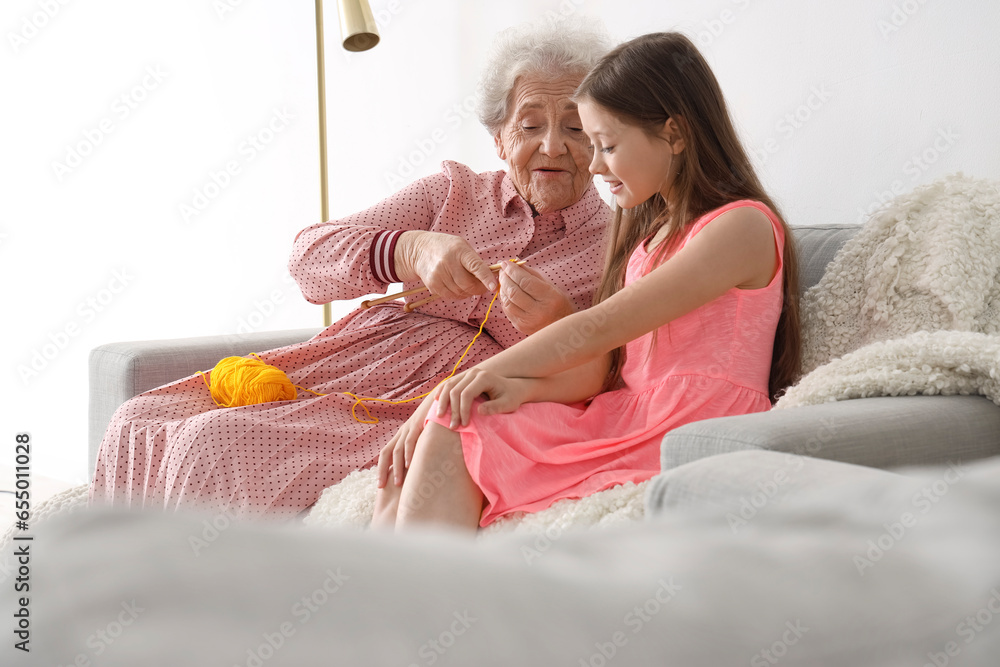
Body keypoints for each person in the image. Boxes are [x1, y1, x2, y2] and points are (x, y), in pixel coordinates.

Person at [89, 21, 612, 520]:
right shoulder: (450, 193)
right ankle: (116, 604)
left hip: (430, 401)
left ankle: (192, 607)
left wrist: (558, 322)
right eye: (529, 125)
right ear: (499, 139)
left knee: (218, 442)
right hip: (348, 360)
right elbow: (308, 259)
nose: (552, 146)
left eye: (574, 126)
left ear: (600, 139)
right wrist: (408, 250)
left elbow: (615, 372)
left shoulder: (618, 245)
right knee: (138, 420)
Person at [373, 31, 802, 533]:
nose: (594, 165)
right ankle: (383, 592)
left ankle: (412, 593)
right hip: (630, 412)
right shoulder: (649, 240)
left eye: (606, 145)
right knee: (451, 421)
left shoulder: (740, 227)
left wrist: (450, 386)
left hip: (695, 427)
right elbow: (616, 369)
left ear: (675, 135)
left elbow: (601, 328)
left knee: (448, 414)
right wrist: (509, 389)